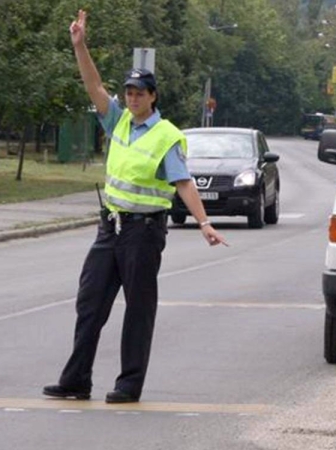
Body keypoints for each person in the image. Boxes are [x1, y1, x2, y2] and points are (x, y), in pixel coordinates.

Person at [43, 10, 228, 404]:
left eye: (139, 93)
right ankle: (77, 379)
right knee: (90, 302)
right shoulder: (119, 121)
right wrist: (80, 46)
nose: (131, 98)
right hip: (110, 227)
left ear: (153, 96)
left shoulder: (167, 135)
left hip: (144, 232)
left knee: (138, 309)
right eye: (128, 92)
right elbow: (92, 84)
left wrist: (204, 222)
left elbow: (182, 182)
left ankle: (129, 384)